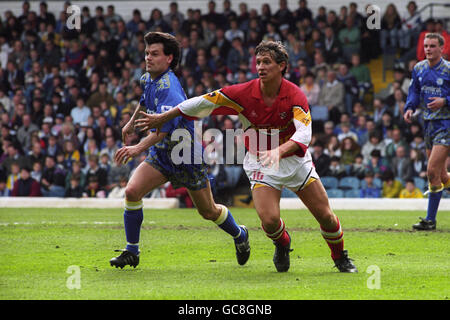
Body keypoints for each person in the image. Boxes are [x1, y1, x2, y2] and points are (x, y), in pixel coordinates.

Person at [136, 40, 357, 273]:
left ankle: (340, 256)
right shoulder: (242, 93)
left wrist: (278, 151)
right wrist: (164, 117)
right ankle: (282, 243)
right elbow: (202, 101)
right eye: (258, 62)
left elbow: (304, 134)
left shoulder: (295, 95)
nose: (260, 66)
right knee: (269, 220)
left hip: (294, 161)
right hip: (260, 160)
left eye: (267, 62)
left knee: (326, 217)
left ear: (281, 66)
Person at [110, 32, 250, 269]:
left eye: (154, 54)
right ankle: (132, 251)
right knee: (132, 192)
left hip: (186, 156)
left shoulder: (170, 86)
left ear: (169, 58)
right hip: (163, 155)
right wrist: (130, 123)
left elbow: (163, 130)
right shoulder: (147, 79)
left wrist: (136, 148)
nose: (148, 58)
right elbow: (144, 102)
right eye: (146, 53)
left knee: (208, 211)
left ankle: (240, 235)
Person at [404, 33, 449, 231]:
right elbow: (414, 91)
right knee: (441, 176)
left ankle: (430, 220)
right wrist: (410, 107)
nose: (428, 49)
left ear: (442, 48)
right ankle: (430, 219)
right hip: (428, 125)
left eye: (432, 46)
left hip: (446, 124)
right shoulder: (419, 68)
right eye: (426, 45)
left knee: (431, 170)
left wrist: (445, 101)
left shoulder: (448, 70)